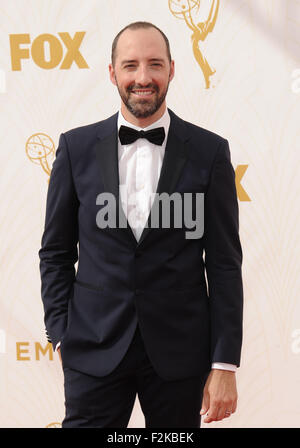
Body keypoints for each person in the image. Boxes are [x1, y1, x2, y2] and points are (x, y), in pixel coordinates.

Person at [38, 21, 243, 428]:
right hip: (92, 347)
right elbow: (56, 253)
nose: (143, 78)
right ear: (112, 73)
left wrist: (224, 362)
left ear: (172, 69)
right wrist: (61, 331)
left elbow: (223, 264)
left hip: (180, 354)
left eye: (155, 64)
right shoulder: (76, 148)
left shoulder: (210, 151)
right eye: (130, 65)